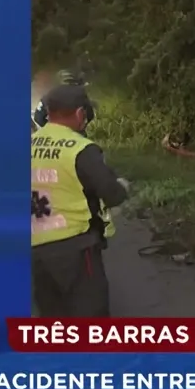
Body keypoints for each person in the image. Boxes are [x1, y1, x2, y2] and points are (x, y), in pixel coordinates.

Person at [30, 85, 129, 316]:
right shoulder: (80, 148)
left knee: (52, 313)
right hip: (75, 248)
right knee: (90, 313)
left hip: (35, 249)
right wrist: (123, 186)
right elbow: (112, 193)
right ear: (79, 114)